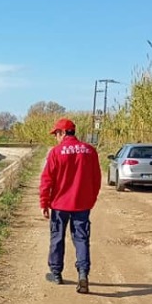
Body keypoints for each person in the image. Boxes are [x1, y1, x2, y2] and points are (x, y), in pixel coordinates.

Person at [39, 117, 102, 293]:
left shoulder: (56, 152)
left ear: (63, 132)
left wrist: (44, 202)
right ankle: (83, 274)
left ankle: (56, 273)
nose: (55, 137)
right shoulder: (90, 151)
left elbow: (47, 180)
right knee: (81, 239)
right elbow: (96, 178)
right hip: (82, 205)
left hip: (60, 205)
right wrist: (91, 198)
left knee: (57, 238)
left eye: (56, 134)